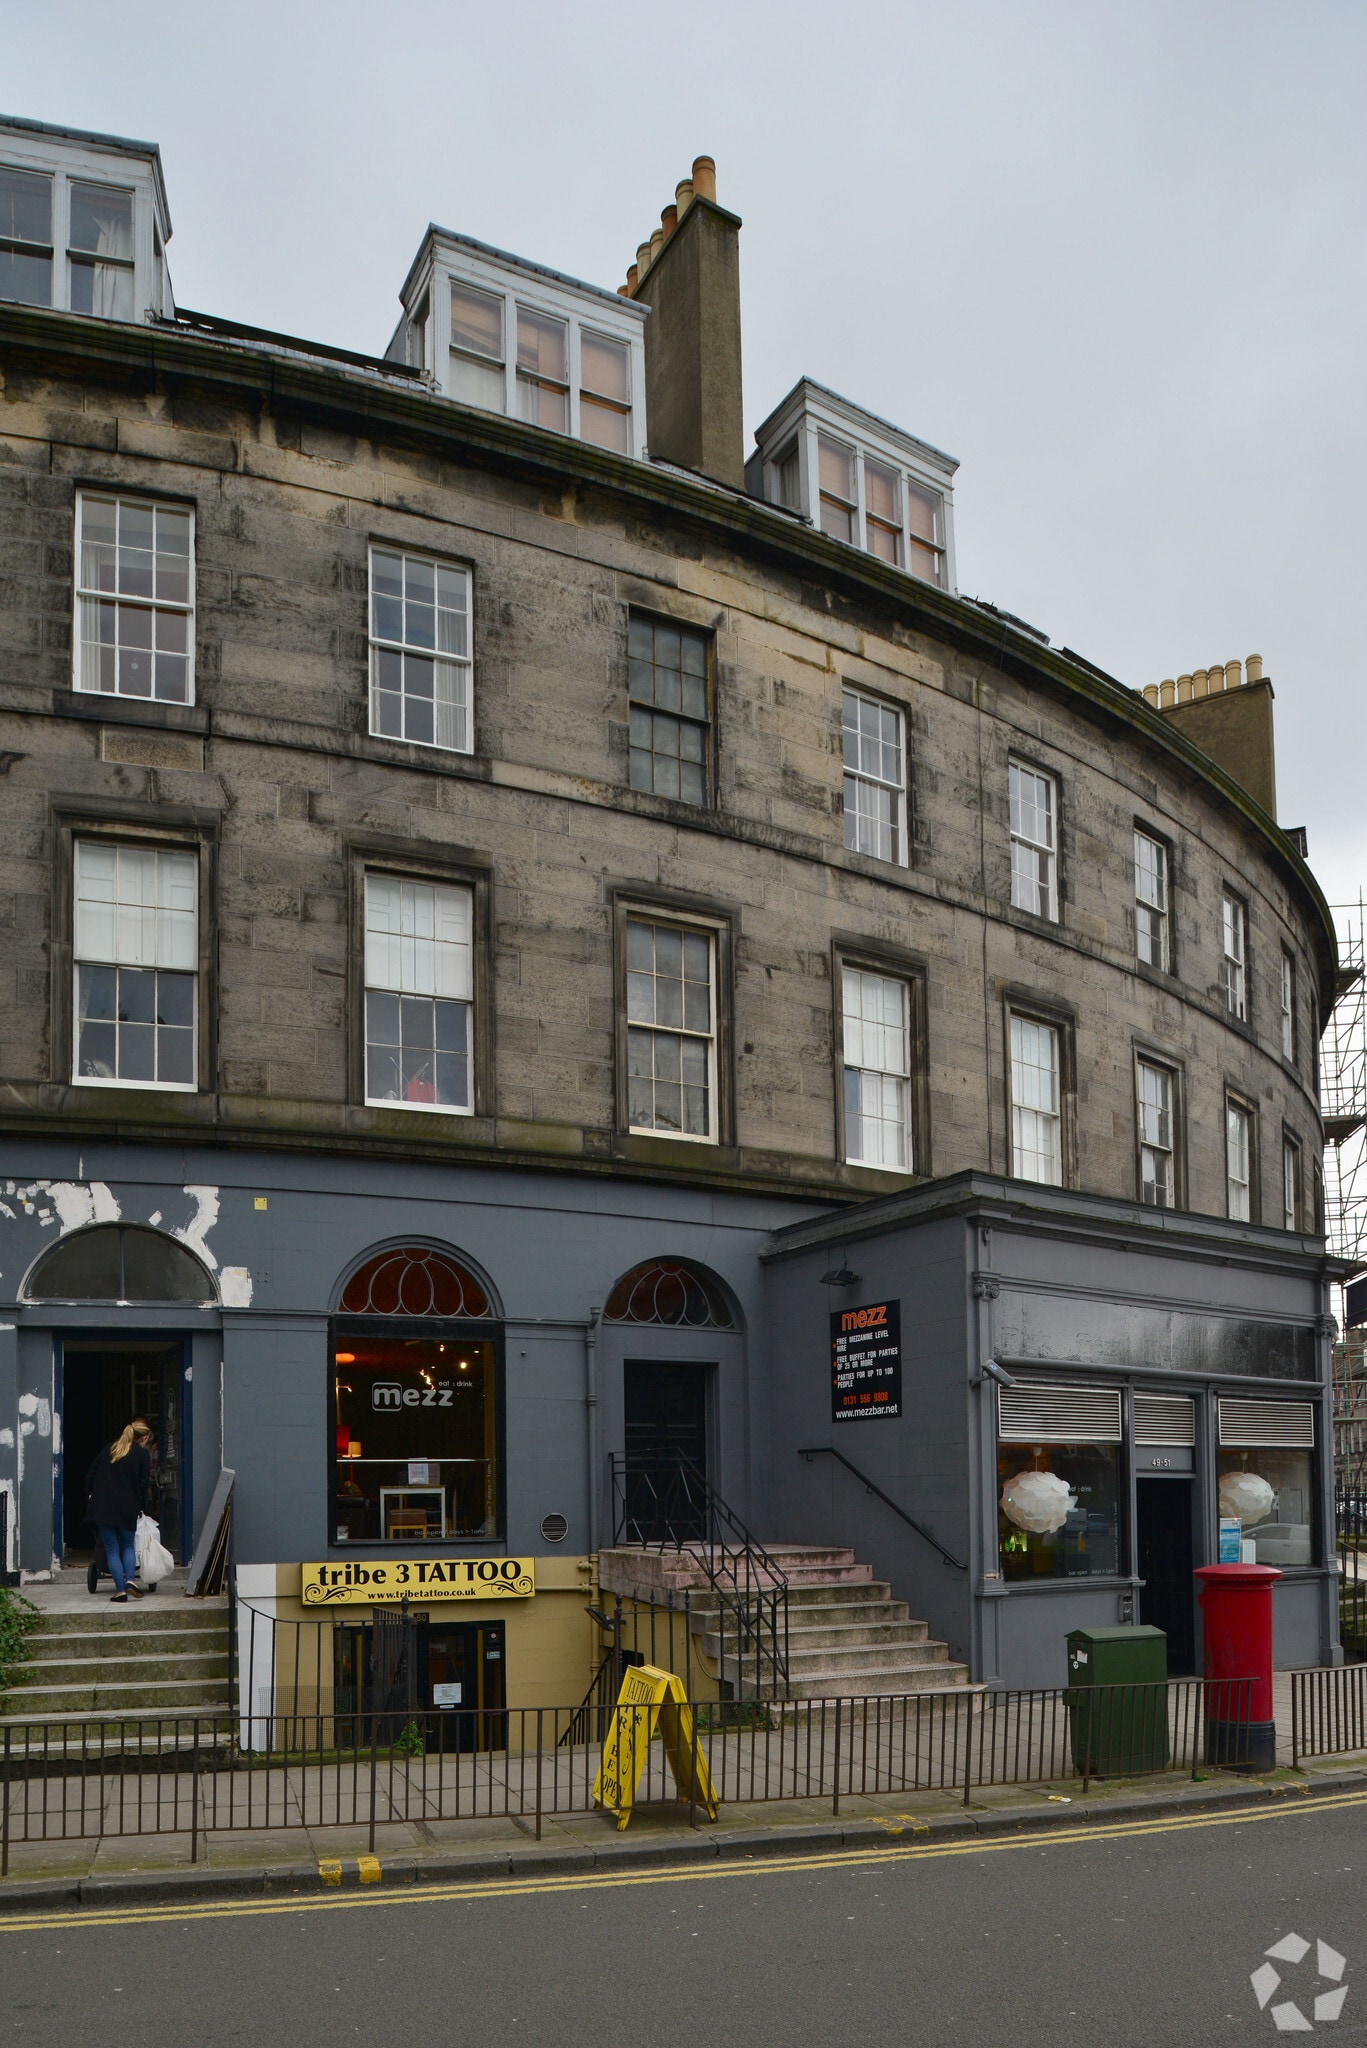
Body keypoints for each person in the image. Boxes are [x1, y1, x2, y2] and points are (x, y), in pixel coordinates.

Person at [86, 1419, 152, 1602]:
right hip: (127, 1508)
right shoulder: (142, 1455)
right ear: (144, 1438)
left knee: (112, 1550)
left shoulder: (109, 1449)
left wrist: (91, 1496)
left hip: (103, 1508)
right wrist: (138, 1502)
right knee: (128, 1546)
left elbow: (90, 1475)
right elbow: (143, 1484)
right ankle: (131, 1579)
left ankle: (121, 1591)